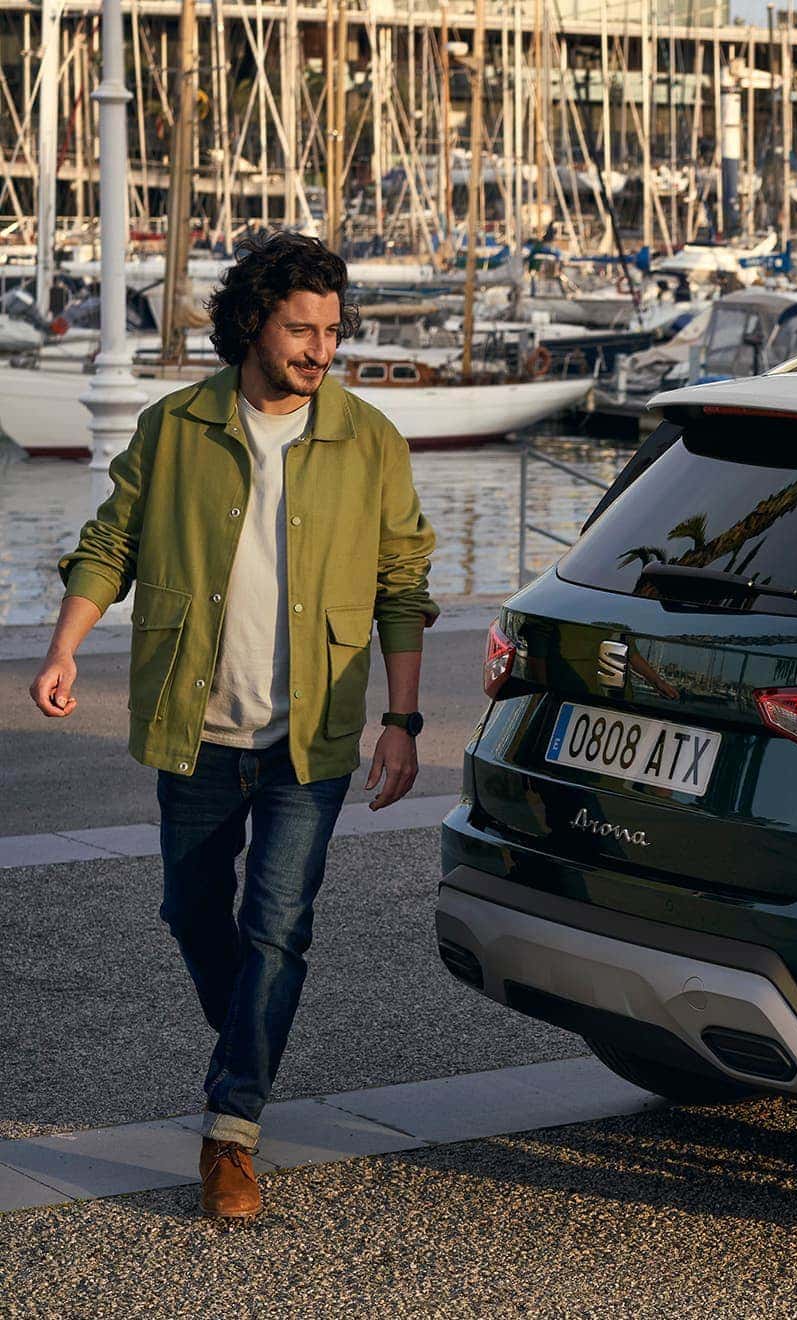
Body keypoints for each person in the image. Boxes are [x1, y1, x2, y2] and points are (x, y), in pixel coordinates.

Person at [26, 232, 437, 1220]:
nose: (321, 349)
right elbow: (111, 541)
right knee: (190, 911)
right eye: (303, 327)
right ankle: (246, 1043)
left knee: (278, 927)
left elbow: (402, 583)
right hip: (197, 724)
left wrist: (404, 719)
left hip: (313, 737)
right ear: (254, 321)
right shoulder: (177, 428)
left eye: (334, 330)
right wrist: (63, 646)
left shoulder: (366, 436)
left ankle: (231, 1131)